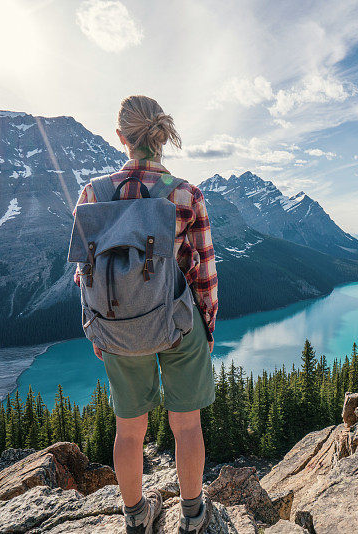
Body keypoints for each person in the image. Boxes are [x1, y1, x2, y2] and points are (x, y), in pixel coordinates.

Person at [73, 95, 218, 534]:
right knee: (186, 424)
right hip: (176, 323)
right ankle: (193, 515)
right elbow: (204, 273)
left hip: (117, 324)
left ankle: (136, 516)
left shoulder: (91, 193)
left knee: (129, 429)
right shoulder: (185, 194)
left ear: (121, 137)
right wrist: (207, 326)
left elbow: (85, 273)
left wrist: (96, 329)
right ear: (161, 136)